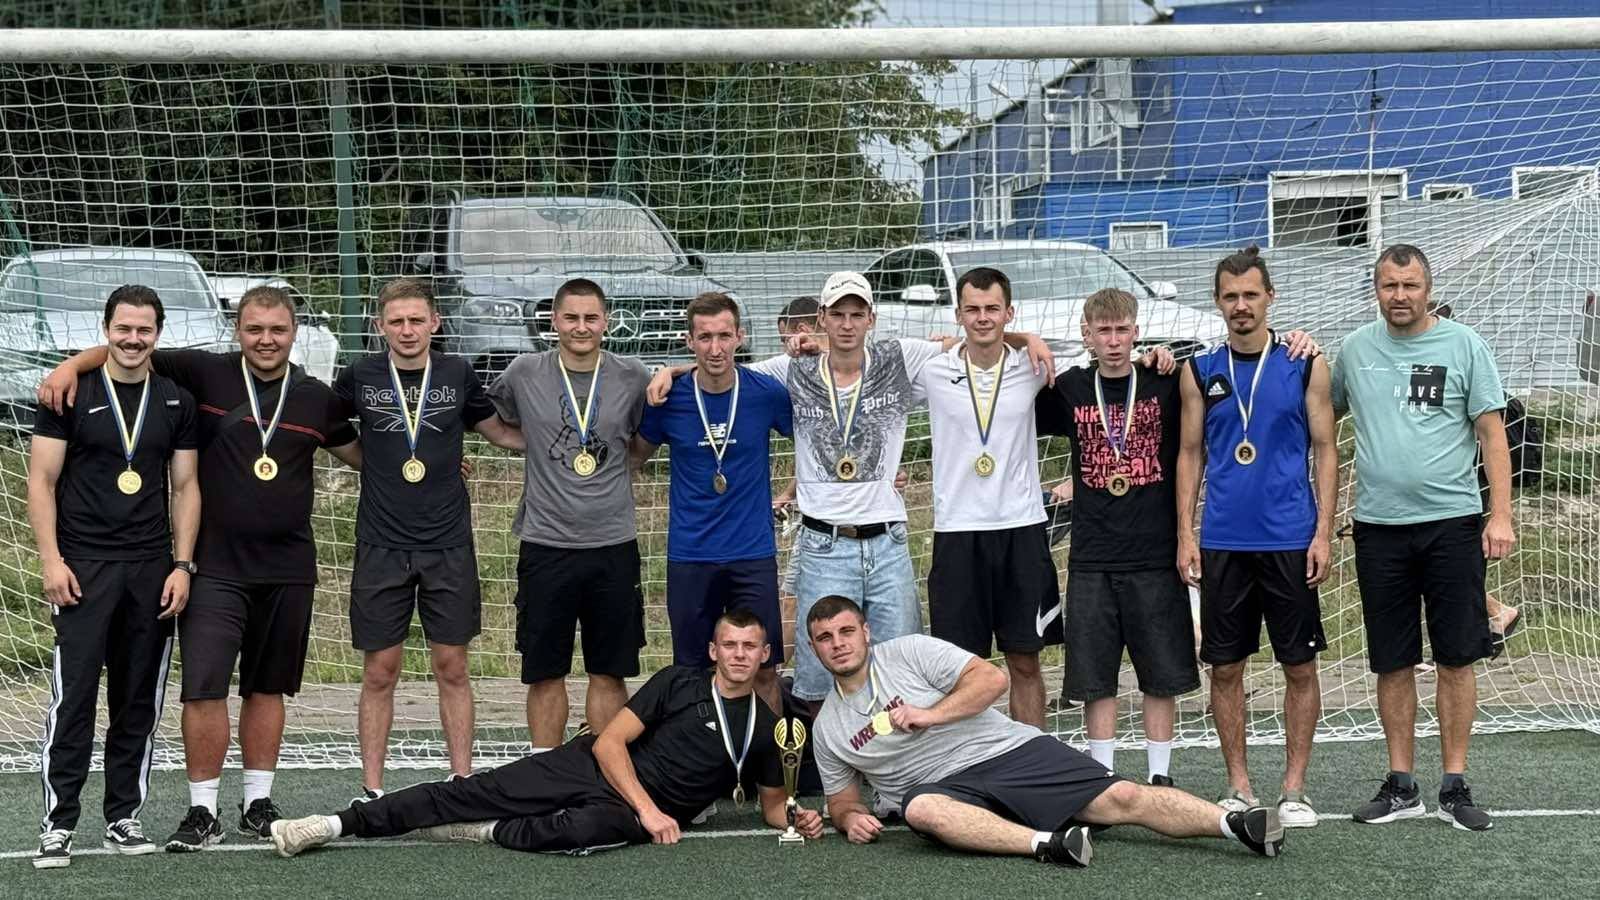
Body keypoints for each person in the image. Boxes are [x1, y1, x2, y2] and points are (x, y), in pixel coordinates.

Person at [35, 285, 362, 850]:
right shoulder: (202, 374)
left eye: (277, 330)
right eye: (254, 328)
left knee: (243, 690)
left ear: (294, 333)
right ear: (237, 330)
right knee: (176, 689)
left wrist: (431, 466)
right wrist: (69, 365)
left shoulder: (312, 397)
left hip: (265, 566)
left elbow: (362, 454)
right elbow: (125, 355)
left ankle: (236, 805)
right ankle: (159, 814)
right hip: (191, 567)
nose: (266, 339)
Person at [648, 271, 1053, 712]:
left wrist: (1027, 336)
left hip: (888, 543)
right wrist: (672, 369)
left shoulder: (900, 357)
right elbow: (722, 367)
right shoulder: (793, 369)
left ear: (871, 319)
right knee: (820, 680)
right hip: (825, 543)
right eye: (837, 314)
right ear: (821, 318)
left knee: (902, 672)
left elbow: (976, 336)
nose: (847, 324)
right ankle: (825, 756)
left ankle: (905, 756)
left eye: (857, 314)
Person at [268, 610, 824, 858]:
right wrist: (651, 811)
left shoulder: (772, 728)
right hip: (594, 768)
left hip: (624, 814)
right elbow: (608, 742)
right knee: (469, 790)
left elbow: (772, 804)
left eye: (749, 647)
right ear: (713, 650)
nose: (739, 655)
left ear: (765, 654)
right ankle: (333, 824)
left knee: (577, 832)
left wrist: (797, 817)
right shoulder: (679, 682)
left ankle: (486, 833)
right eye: (730, 645)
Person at [804, 596, 1284, 867]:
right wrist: (849, 819)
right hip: (943, 791)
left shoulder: (909, 652)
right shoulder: (828, 727)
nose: (838, 644)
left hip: (1008, 752)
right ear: (814, 648)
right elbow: (843, 801)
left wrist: (930, 715)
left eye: (846, 632)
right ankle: (1049, 844)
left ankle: (1238, 825)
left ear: (866, 632)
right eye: (825, 638)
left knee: (1121, 797)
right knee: (922, 810)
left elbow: (991, 680)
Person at [1331, 244, 1514, 832]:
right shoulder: (1355, 350)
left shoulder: (1464, 345)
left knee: (1457, 658)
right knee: (1393, 661)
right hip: (1378, 528)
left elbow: (1492, 434)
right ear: (1376, 290)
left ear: (1428, 289)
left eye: (1410, 285)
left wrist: (1501, 515)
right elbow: (1317, 415)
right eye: (1389, 285)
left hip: (1452, 525)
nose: (1400, 295)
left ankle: (1454, 785)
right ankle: (1401, 784)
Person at [28, 285, 201, 868]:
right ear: (106, 330)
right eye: (123, 328)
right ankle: (58, 823)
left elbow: (185, 487)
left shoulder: (175, 400)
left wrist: (182, 565)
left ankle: (123, 816)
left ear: (158, 334)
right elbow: (41, 482)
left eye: (144, 329)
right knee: (74, 698)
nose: (133, 339)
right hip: (82, 567)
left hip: (150, 570)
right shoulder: (69, 394)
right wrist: (51, 560)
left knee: (137, 701)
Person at [335, 278, 524, 801]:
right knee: (380, 670)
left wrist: (561, 446)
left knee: (452, 666)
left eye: (417, 320)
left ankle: (460, 783)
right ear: (380, 326)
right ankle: (372, 790)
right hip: (381, 544)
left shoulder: (457, 372)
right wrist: (373, 464)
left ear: (435, 323)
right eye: (396, 321)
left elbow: (498, 432)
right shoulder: (360, 375)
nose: (407, 330)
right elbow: (327, 430)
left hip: (448, 544)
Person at [1176, 247, 1337, 828]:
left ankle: (1294, 789)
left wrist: (1323, 531)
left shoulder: (1305, 363)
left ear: (1270, 297)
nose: (1241, 305)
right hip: (1223, 542)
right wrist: (1185, 533)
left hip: (1291, 539)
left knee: (1300, 666)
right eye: (1230, 296)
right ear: (1217, 302)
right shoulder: (1199, 370)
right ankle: (1239, 785)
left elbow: (1326, 449)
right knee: (1225, 668)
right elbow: (1189, 453)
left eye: (1250, 295)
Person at [1032, 287, 1197, 787]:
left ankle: (1159, 777)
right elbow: (1015, 402)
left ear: (1137, 332)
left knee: (1160, 674)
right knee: (1095, 677)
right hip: (1092, 556)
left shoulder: (1163, 381)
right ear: (1087, 335)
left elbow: (1200, 400)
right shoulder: (1070, 388)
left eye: (1122, 330)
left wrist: (1168, 359)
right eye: (1103, 331)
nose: (1113, 340)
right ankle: (1101, 776)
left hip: (1154, 552)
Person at [486, 277, 652, 749]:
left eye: (591, 318)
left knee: (609, 670)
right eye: (572, 317)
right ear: (554, 321)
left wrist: (623, 461)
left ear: (606, 322)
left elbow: (644, 441)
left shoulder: (633, 375)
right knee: (545, 671)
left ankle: (605, 772)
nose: (581, 327)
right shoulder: (524, 372)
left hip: (612, 544)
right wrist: (531, 445)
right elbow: (489, 420)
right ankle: (544, 769)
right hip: (546, 544)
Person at [917, 267, 1065, 728]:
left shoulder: (1033, 366)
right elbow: (862, 358)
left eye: (992, 309)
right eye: (973, 309)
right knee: (960, 668)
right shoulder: (932, 370)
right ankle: (967, 763)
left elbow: (1105, 357)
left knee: (1025, 661)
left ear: (1009, 312)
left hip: (1021, 529)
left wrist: (1028, 339)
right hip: (958, 533)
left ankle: (1032, 760)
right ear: (958, 314)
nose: (983, 318)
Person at [632, 292, 793, 711]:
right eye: (705, 338)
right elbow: (633, 458)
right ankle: (697, 749)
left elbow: (816, 443)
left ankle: (767, 753)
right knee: (691, 670)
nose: (715, 348)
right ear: (689, 341)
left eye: (724, 336)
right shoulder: (668, 398)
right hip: (691, 553)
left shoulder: (765, 393)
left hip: (752, 551)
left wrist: (795, 491)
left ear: (740, 336)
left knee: (762, 667)